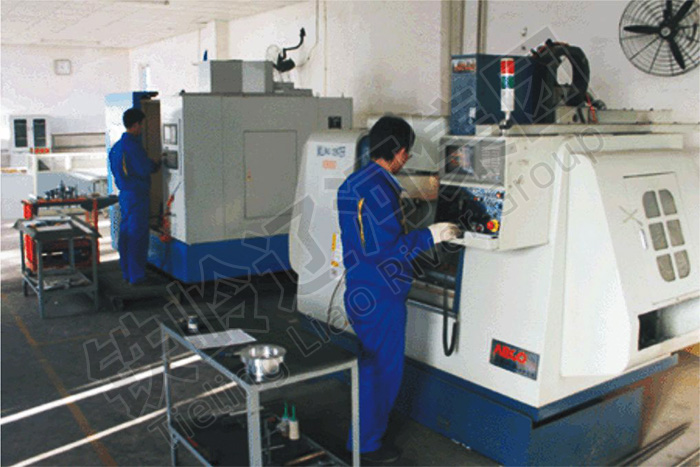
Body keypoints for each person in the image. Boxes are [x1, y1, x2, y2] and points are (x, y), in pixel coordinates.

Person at [337, 115, 460, 463]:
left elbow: (367, 244)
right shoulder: (381, 190)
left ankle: (360, 437)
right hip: (382, 297)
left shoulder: (353, 182)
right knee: (384, 372)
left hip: (359, 288)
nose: (407, 159)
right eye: (407, 154)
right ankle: (366, 446)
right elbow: (385, 251)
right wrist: (431, 235)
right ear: (401, 152)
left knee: (368, 368)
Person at [108, 108, 160, 285]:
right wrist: (156, 163)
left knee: (126, 234)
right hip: (137, 196)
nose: (142, 128)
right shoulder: (132, 147)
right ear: (136, 124)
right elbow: (144, 168)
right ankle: (137, 276)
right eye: (141, 124)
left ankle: (127, 272)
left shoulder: (117, 147)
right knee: (137, 235)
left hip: (125, 195)